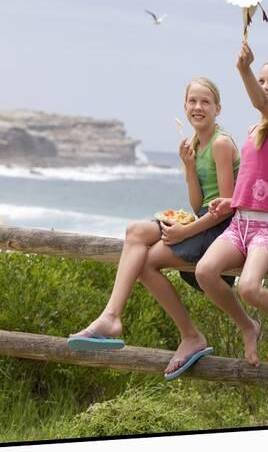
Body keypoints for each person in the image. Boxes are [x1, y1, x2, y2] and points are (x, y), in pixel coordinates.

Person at [68, 77, 240, 378]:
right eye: (192, 101)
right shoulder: (195, 144)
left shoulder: (221, 143)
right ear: (185, 106)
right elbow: (198, 200)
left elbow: (225, 206)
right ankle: (110, 316)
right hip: (201, 219)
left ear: (218, 108)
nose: (198, 107)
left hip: (221, 229)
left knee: (147, 262)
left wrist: (185, 232)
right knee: (135, 231)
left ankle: (190, 336)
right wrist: (188, 167)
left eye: (205, 102)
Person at [194, 41, 268, 367]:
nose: (265, 86)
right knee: (205, 272)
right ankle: (247, 326)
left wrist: (244, 68)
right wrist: (230, 200)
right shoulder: (254, 130)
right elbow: (252, 182)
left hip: (266, 229)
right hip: (240, 223)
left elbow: (259, 102)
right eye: (262, 79)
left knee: (250, 288)